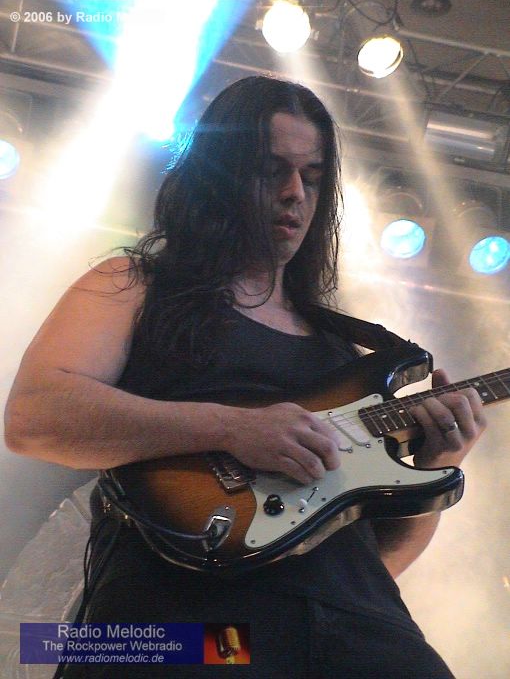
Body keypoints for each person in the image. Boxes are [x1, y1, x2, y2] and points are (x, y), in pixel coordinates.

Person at [5, 76, 486, 678]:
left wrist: (436, 469)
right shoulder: (134, 284)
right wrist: (232, 428)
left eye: (312, 177)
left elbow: (373, 562)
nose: (294, 193)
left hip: (359, 629)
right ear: (217, 176)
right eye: (270, 170)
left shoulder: (348, 352)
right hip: (191, 626)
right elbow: (34, 415)